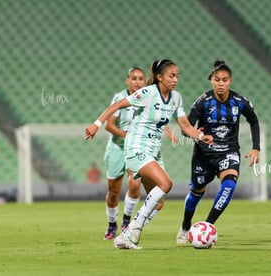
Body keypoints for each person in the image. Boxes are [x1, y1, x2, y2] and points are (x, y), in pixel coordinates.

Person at [85, 59, 213, 249]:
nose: (176, 79)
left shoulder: (176, 98)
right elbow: (118, 105)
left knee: (158, 202)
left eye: (177, 76)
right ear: (159, 77)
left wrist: (200, 136)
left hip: (153, 151)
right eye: (172, 75)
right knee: (166, 184)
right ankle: (133, 229)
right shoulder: (148, 93)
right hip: (136, 147)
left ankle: (125, 236)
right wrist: (96, 124)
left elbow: (185, 125)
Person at [176, 60, 260, 244]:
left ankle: (206, 227)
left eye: (225, 79)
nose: (221, 83)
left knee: (229, 186)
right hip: (203, 155)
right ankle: (185, 225)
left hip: (228, 153)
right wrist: (198, 135)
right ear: (211, 81)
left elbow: (254, 120)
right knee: (197, 191)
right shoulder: (203, 102)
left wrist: (255, 148)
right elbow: (185, 127)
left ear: (231, 81)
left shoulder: (239, 102)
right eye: (217, 79)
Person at [102, 67, 177, 240]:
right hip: (117, 147)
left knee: (134, 185)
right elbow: (109, 125)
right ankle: (112, 224)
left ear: (145, 81)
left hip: (138, 148)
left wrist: (168, 132)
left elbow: (156, 120)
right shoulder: (120, 97)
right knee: (113, 192)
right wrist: (125, 134)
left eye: (140, 78)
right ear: (127, 81)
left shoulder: (150, 96)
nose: (137, 81)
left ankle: (128, 222)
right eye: (133, 78)